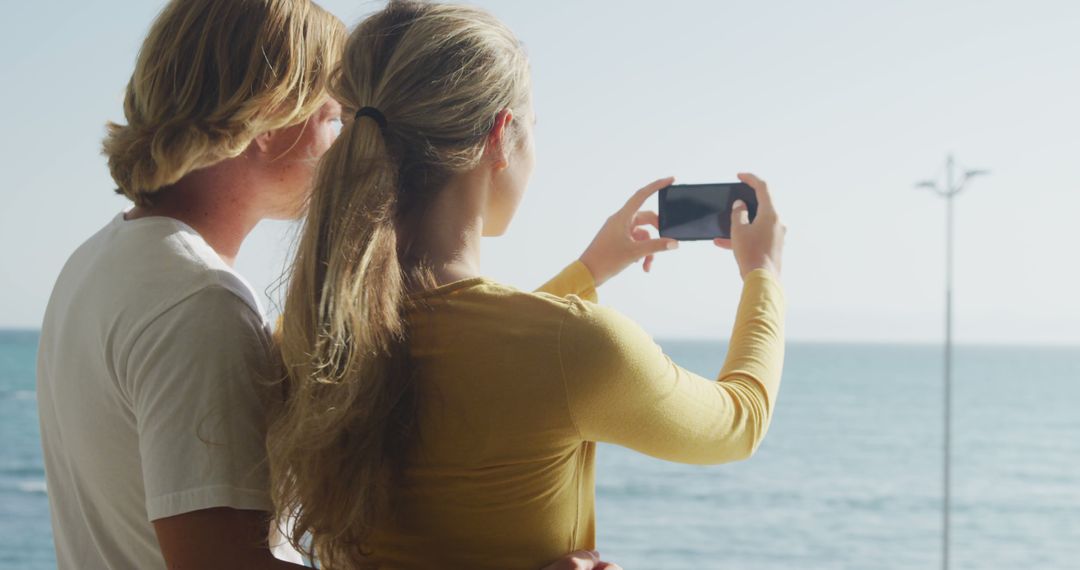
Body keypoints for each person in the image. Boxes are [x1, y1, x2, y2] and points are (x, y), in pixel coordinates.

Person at [36, 1, 616, 568]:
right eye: (335, 117)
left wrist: (587, 270)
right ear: (267, 120)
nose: (346, 145)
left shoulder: (101, 262)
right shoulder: (202, 305)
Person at [268, 1, 787, 568]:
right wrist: (763, 275)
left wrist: (589, 270)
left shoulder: (306, 332)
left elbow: (486, 340)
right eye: (534, 130)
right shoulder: (576, 347)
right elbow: (739, 421)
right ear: (501, 135)